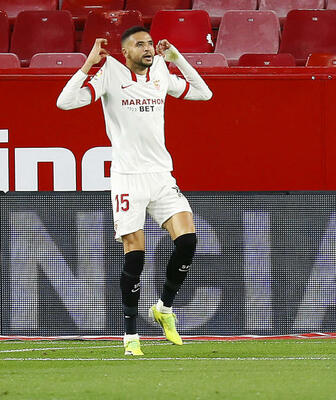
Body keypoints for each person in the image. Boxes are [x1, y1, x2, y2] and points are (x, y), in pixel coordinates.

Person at [57, 26, 213, 355]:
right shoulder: (109, 74)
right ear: (124, 53)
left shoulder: (160, 72)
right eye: (139, 44)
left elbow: (204, 93)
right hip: (128, 178)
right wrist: (88, 65)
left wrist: (176, 59)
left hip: (160, 175)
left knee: (187, 241)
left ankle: (164, 308)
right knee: (136, 256)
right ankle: (130, 337)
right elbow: (65, 102)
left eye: (150, 44)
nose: (148, 48)